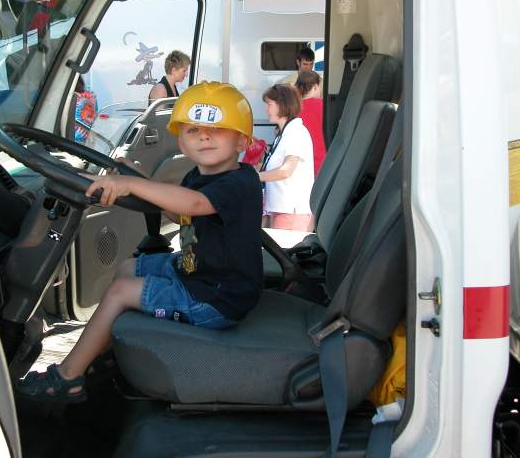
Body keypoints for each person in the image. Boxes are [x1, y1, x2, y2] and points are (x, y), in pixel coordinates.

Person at [18, 81, 262, 403]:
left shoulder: (240, 181)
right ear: (181, 142)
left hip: (218, 298)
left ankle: (68, 378)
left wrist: (130, 183)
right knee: (128, 269)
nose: (203, 136)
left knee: (121, 292)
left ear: (242, 140)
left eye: (216, 129)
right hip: (199, 272)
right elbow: (179, 214)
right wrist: (136, 180)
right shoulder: (196, 178)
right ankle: (103, 350)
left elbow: (194, 206)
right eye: (192, 130)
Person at [259, 84, 314, 231]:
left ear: (282, 105)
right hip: (282, 209)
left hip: (291, 212)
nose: (266, 110)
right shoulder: (285, 133)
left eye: (269, 104)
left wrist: (256, 176)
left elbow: (286, 171)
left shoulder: (295, 133)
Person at [295, 70, 327, 176]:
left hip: (300, 166)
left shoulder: (294, 109)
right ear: (315, 86)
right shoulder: (324, 106)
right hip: (322, 162)